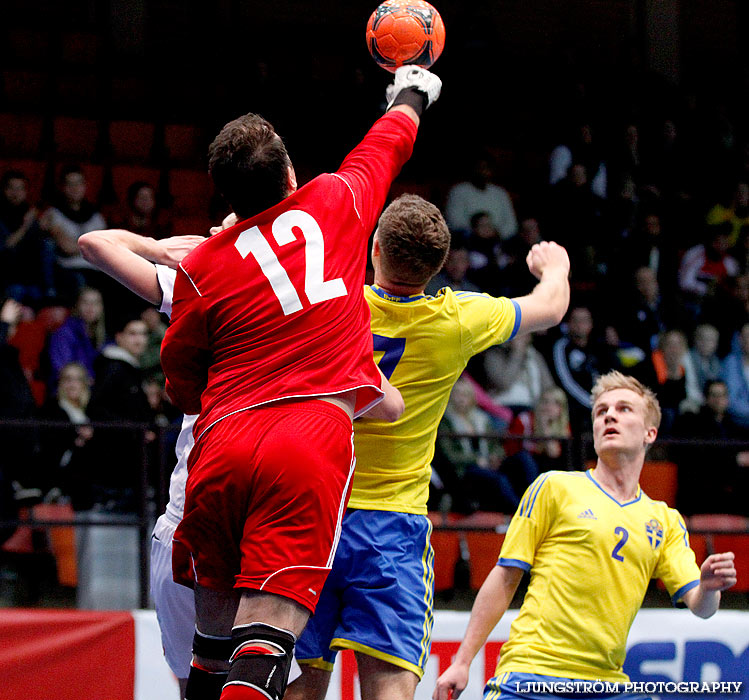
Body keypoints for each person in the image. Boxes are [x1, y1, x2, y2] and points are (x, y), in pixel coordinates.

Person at [159, 67, 438, 700]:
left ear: (224, 196)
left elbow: (180, 386)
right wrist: (415, 89)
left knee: (212, 642)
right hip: (306, 437)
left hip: (223, 439)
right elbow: (389, 142)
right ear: (290, 175)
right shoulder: (333, 201)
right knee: (269, 635)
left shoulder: (200, 266)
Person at [286, 195, 570, 700]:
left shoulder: (332, 303)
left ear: (375, 250)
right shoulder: (457, 319)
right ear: (439, 266)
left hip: (315, 515)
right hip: (391, 527)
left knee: (303, 683)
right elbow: (550, 307)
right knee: (390, 685)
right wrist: (555, 265)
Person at [434, 371, 737, 700]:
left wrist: (708, 587)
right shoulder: (555, 487)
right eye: (601, 410)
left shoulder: (664, 520)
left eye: (624, 409)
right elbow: (506, 577)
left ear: (650, 432)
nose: (609, 415)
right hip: (532, 675)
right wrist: (462, 661)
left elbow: (702, 606)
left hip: (607, 684)